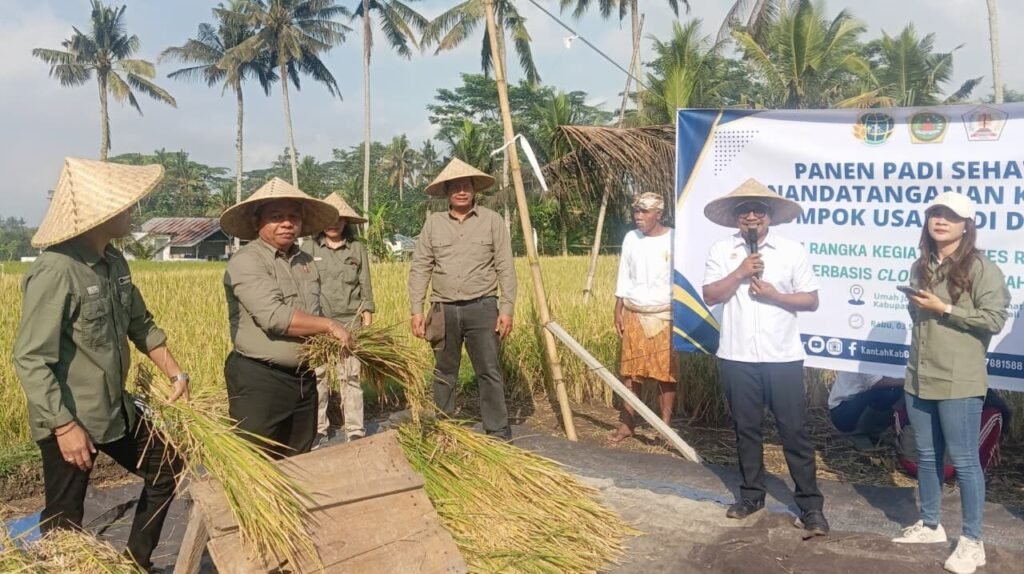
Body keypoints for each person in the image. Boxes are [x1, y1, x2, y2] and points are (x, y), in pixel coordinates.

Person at [13, 158, 191, 570]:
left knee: (167, 469)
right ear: (101, 214)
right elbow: (31, 358)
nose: (133, 211)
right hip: (70, 419)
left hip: (115, 408)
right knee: (64, 523)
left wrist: (175, 372)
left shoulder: (116, 263)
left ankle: (134, 562)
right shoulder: (56, 271)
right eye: (126, 205)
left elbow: (140, 324)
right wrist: (64, 427)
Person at [701, 178, 829, 536]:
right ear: (736, 217)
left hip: (782, 355)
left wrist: (775, 295)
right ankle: (751, 496)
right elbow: (711, 294)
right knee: (746, 430)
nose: (752, 215)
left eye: (759, 209)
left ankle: (811, 506)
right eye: (745, 210)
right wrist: (740, 272)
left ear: (770, 215)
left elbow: (810, 300)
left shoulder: (792, 251)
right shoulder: (721, 250)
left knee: (794, 432)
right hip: (736, 354)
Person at [891, 192, 1010, 574]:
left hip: (959, 379)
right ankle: (930, 525)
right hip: (918, 376)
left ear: (966, 225)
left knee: (964, 461)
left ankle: (973, 543)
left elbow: (993, 319)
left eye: (950, 216)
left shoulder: (981, 268)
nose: (940, 221)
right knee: (926, 455)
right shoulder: (920, 265)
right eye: (934, 214)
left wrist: (944, 308)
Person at [220, 177, 352, 459]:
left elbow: (313, 312)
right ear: (258, 223)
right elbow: (275, 317)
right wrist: (330, 326)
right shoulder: (247, 261)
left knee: (299, 458)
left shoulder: (305, 262)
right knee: (255, 462)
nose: (287, 223)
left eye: (293, 216)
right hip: (260, 380)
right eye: (276, 217)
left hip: (303, 378)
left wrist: (333, 336)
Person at [408, 158, 517, 440]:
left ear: (474, 191)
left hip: (482, 307)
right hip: (443, 309)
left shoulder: (492, 222)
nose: (461, 191)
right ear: (446, 192)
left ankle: (497, 429)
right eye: (455, 186)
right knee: (445, 371)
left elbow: (505, 266)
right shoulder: (433, 224)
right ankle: (443, 426)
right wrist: (416, 311)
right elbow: (421, 267)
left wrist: (506, 309)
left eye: (466, 185)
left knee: (489, 370)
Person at [302, 192, 374, 448]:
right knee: (319, 377)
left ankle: (355, 429)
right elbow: (301, 286)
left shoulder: (356, 249)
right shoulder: (309, 249)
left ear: (347, 222)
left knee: (350, 377)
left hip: (350, 324)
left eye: (339, 219)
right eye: (329, 218)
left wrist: (367, 322)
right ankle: (319, 429)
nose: (334, 224)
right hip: (318, 324)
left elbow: (365, 286)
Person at [609, 192, 677, 444]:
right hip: (635, 312)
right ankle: (627, 424)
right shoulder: (631, 238)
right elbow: (624, 274)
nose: (638, 217)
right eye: (636, 212)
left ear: (658, 214)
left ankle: (665, 428)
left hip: (665, 314)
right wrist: (618, 307)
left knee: (665, 375)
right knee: (630, 372)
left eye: (644, 212)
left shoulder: (674, 239)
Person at [828, 371, 903, 449]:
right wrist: (907, 381)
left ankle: (875, 435)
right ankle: (858, 435)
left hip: (855, 403)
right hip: (842, 411)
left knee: (894, 392)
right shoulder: (866, 360)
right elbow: (876, 383)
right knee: (888, 394)